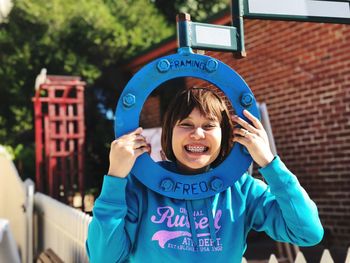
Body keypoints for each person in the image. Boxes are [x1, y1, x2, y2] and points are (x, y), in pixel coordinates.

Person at [86, 88, 323, 263]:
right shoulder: (141, 188)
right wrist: (116, 176)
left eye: (209, 125)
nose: (197, 134)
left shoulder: (242, 190)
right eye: (186, 124)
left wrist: (270, 164)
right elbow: (104, 258)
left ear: (226, 136)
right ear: (168, 134)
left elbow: (307, 232)